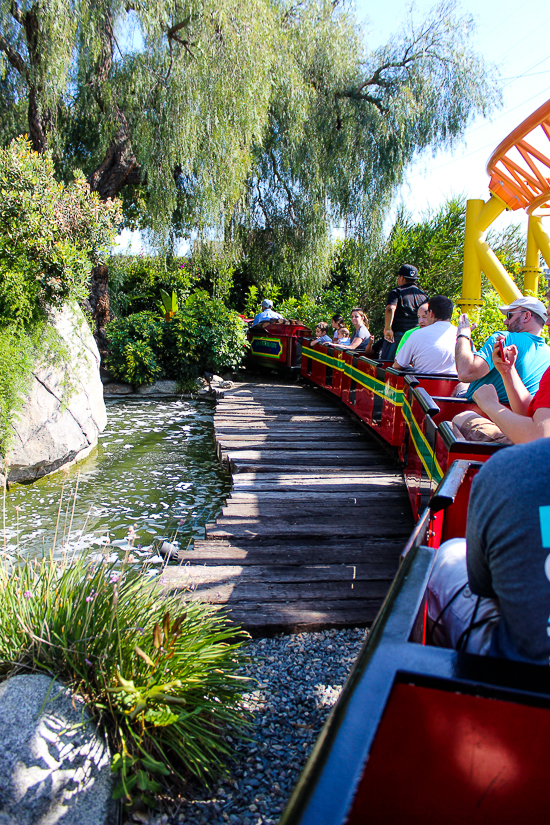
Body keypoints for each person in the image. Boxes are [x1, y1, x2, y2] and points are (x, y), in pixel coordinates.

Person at [427, 439, 550, 664]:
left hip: (519, 673)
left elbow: (482, 585)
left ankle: (435, 678)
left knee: (449, 553)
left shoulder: (508, 467)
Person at [453, 297, 550, 440]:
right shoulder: (547, 352)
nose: (505, 321)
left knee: (457, 416)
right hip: (521, 419)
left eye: (510, 316)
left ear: (526, 316)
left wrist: (463, 335)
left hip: (487, 415)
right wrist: (507, 371)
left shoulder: (504, 338)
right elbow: (529, 412)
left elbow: (465, 372)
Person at [455, 336, 550, 444]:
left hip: (535, 452)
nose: (547, 323)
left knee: (461, 418)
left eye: (509, 317)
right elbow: (530, 414)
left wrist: (490, 404)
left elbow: (539, 438)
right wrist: (507, 371)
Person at [392, 296, 457, 375]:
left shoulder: (416, 334)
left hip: (421, 385)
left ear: (431, 313)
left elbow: (398, 365)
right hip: (454, 385)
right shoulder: (461, 335)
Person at [382, 264, 429, 360]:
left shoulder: (397, 292)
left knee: (389, 365)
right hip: (417, 336)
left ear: (401, 277)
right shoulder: (424, 296)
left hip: (398, 336)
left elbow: (390, 308)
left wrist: (388, 329)